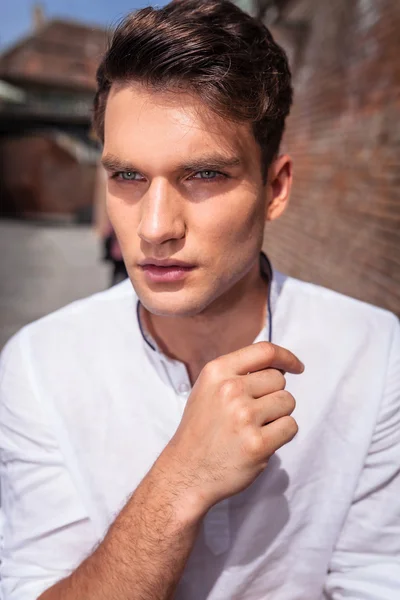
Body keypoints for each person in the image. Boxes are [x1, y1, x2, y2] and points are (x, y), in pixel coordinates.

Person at [0, 1, 399, 598]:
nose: (156, 227)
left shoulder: (375, 354)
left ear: (276, 188)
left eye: (204, 175)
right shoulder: (38, 364)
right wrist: (180, 482)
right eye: (128, 177)